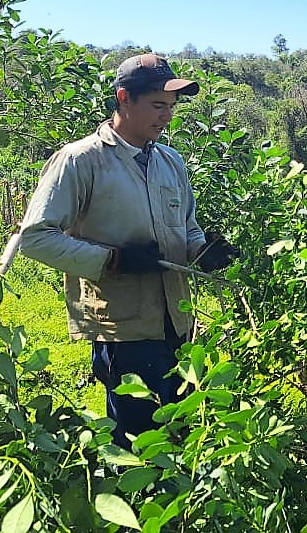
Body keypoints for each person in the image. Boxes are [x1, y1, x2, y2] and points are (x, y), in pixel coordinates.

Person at [19, 53, 238, 448]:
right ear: (124, 98)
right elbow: (35, 237)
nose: (166, 116)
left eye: (171, 107)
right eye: (157, 105)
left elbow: (186, 227)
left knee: (184, 435)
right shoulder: (81, 160)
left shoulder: (170, 161)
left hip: (180, 323)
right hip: (124, 329)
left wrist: (202, 252)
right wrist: (112, 260)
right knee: (138, 444)